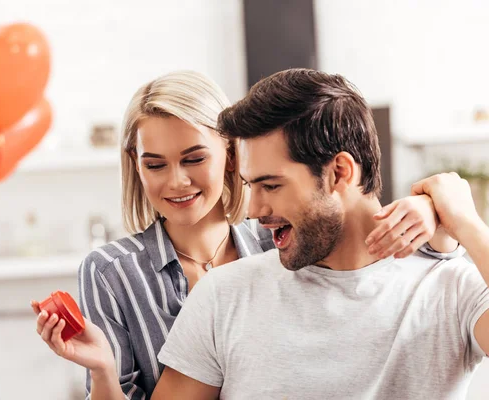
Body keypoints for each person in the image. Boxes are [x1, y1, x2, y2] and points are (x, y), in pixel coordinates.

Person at [31, 70, 460, 399]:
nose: (177, 182)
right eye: (155, 164)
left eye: (194, 158)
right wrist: (104, 371)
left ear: (232, 155)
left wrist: (438, 207)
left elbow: (372, 248)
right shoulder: (113, 272)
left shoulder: (286, 241)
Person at [152, 68, 489, 399]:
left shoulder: (450, 289)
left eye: (270, 185)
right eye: (250, 185)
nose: (253, 211)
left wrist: (466, 223)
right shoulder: (223, 295)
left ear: (339, 173)